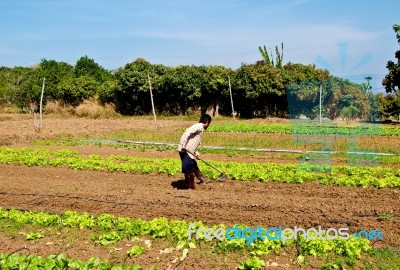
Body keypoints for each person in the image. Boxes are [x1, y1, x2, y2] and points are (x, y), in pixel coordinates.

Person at [178, 114, 212, 189]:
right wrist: (183, 144)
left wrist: (196, 153)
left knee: (193, 165)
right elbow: (187, 132)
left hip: (190, 150)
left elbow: (193, 142)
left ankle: (203, 179)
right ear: (207, 122)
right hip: (185, 150)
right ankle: (190, 187)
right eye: (209, 123)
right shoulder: (198, 126)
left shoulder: (201, 128)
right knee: (187, 168)